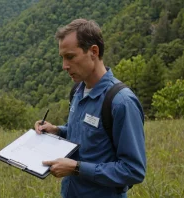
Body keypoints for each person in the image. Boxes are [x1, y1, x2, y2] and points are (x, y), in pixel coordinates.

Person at [34, 19, 146, 198]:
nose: (64, 66)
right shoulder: (78, 91)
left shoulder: (121, 102)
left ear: (93, 51)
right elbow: (87, 134)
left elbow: (133, 170)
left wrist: (77, 168)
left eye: (70, 57)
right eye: (62, 58)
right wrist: (57, 131)